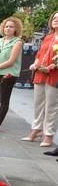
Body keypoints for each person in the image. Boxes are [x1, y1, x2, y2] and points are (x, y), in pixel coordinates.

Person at [23, 11, 58, 148]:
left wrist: (51, 67)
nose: (55, 20)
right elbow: (39, 53)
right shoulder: (48, 37)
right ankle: (36, 129)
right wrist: (36, 63)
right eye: (54, 18)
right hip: (40, 74)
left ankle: (48, 134)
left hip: (54, 76)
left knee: (51, 107)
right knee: (38, 105)